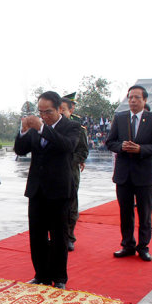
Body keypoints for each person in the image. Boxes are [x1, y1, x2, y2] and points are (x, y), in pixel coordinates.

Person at [15, 91, 79, 289]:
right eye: (41, 112)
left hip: (59, 190)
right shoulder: (36, 127)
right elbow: (20, 150)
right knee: (37, 235)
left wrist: (42, 128)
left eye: (48, 112)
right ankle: (41, 274)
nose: (44, 116)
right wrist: (24, 131)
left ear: (60, 109)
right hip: (37, 189)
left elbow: (66, 146)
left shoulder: (72, 127)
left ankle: (59, 278)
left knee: (59, 236)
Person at [106, 85, 152, 261]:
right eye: (130, 97)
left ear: (145, 100)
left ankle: (143, 246)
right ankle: (127, 244)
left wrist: (141, 149)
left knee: (145, 213)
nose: (132, 100)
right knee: (125, 212)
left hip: (144, 175)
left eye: (136, 97)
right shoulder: (120, 118)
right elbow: (110, 142)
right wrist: (121, 147)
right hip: (123, 175)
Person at [60, 96, 88, 252]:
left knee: (70, 206)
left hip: (70, 172)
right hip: (53, 174)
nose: (61, 113)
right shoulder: (49, 128)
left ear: (71, 110)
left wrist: (69, 160)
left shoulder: (77, 129)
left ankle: (69, 237)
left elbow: (83, 151)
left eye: (63, 110)